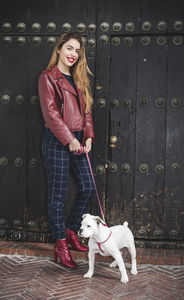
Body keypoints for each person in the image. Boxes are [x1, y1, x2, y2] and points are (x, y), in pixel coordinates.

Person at [38, 32, 95, 268]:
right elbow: (51, 114)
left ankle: (72, 230)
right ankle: (61, 246)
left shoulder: (79, 77)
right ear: (59, 49)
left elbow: (87, 111)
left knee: (87, 186)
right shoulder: (47, 77)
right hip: (57, 140)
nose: (73, 54)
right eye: (69, 48)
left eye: (77, 50)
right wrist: (69, 139)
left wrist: (89, 134)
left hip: (79, 139)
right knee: (57, 196)